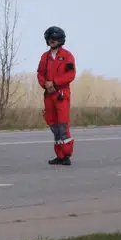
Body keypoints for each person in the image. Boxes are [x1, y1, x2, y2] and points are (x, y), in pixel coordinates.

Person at [37, 26, 76, 165]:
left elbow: (70, 74)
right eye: (49, 39)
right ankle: (59, 155)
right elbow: (40, 73)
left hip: (61, 94)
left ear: (60, 40)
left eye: (54, 38)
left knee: (62, 125)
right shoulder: (44, 57)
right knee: (53, 124)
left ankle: (66, 155)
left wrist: (54, 83)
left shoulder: (67, 56)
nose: (52, 41)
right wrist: (45, 84)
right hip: (49, 95)